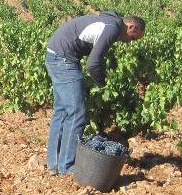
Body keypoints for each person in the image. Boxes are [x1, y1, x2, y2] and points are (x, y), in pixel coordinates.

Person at [44, 11, 145, 174]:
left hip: (55, 54)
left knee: (62, 111)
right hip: (63, 59)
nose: (129, 42)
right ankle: (67, 165)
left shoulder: (111, 21)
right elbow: (92, 64)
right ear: (131, 26)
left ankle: (54, 163)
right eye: (133, 38)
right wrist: (104, 85)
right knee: (77, 112)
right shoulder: (112, 28)